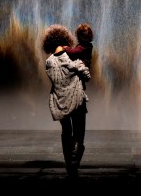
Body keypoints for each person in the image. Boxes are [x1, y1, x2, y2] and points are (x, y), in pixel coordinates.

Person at [42, 24, 91, 179]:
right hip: (77, 99)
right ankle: (74, 164)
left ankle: (69, 164)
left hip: (59, 102)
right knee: (79, 134)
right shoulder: (73, 58)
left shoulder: (49, 62)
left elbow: (56, 79)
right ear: (66, 40)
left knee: (66, 133)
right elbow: (87, 76)